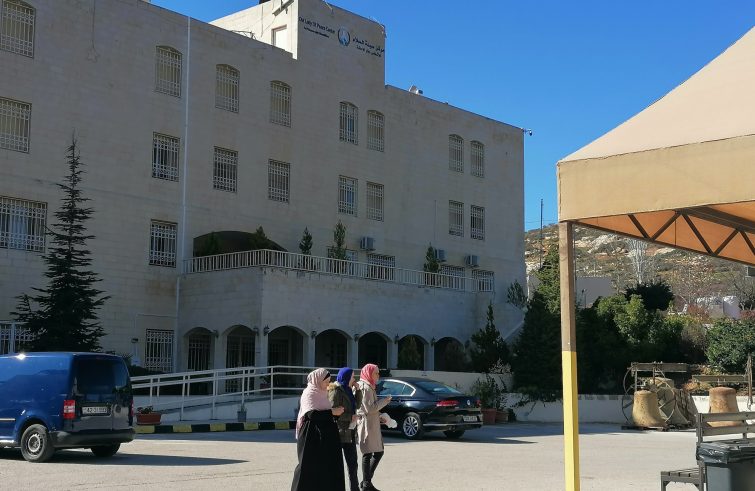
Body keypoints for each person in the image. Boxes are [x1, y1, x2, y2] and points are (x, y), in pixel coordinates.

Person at [291, 368, 346, 491]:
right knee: (307, 466)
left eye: (329, 381)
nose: (328, 384)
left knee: (326, 467)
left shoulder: (323, 393)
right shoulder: (309, 393)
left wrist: (336, 414)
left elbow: (326, 414)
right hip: (310, 435)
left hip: (326, 435)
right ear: (318, 380)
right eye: (326, 381)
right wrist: (332, 412)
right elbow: (311, 414)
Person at [355, 364, 391, 491]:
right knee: (368, 453)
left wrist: (380, 416)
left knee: (377, 451)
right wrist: (385, 401)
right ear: (369, 373)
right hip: (367, 424)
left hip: (371, 423)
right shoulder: (365, 387)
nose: (378, 375)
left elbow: (370, 408)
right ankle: (366, 484)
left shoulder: (369, 386)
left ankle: (366, 482)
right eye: (376, 373)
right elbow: (369, 408)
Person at [329, 367, 360, 491]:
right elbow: (332, 412)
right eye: (352, 376)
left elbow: (358, 404)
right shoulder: (336, 390)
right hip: (339, 432)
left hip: (350, 431)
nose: (354, 379)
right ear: (346, 377)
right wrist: (350, 417)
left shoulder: (348, 389)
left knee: (353, 464)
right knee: (337, 466)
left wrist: (358, 390)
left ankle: (355, 489)